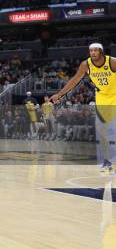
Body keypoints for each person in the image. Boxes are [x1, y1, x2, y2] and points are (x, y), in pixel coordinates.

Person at [50, 43, 116, 172]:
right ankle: (107, 161)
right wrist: (59, 94)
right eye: (91, 51)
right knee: (102, 130)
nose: (93, 53)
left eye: (95, 51)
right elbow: (75, 80)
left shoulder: (112, 62)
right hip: (102, 96)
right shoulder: (86, 64)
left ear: (101, 52)